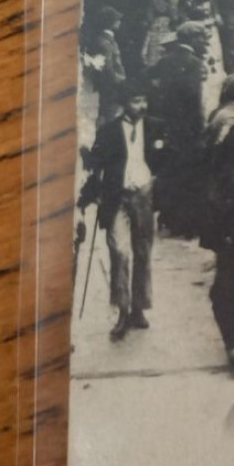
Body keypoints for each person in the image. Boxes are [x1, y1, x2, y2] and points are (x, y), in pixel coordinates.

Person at [80, 87, 158, 340]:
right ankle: (122, 311)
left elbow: (169, 161)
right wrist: (86, 156)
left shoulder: (157, 127)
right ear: (125, 103)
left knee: (143, 252)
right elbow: (95, 165)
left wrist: (159, 186)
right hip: (117, 199)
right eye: (136, 99)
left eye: (144, 99)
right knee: (119, 252)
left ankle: (139, 308)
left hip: (144, 197)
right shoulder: (109, 131)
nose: (142, 105)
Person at [146, 23, 210, 239]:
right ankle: (186, 225)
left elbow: (147, 79)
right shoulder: (193, 64)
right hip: (189, 132)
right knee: (189, 176)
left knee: (168, 173)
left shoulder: (165, 61)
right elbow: (194, 100)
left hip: (166, 129)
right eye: (201, 37)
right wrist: (201, 131)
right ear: (190, 39)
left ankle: (167, 220)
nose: (205, 41)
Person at [82, 5, 128, 127]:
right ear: (111, 22)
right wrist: (119, 81)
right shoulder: (105, 42)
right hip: (111, 86)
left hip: (109, 85)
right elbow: (107, 67)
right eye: (117, 20)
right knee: (110, 115)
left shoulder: (104, 39)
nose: (119, 22)